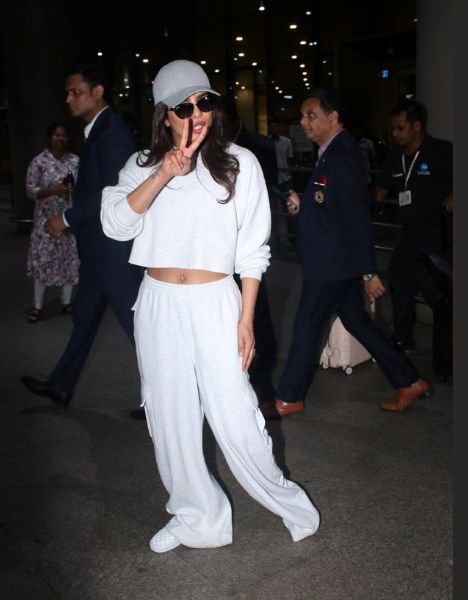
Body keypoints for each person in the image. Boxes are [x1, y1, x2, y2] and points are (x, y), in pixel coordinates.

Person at [100, 60, 320, 553]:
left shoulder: (239, 164)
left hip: (215, 301)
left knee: (236, 415)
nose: (196, 113)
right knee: (169, 417)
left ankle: (289, 503)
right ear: (164, 115)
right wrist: (164, 172)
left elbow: (253, 251)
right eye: (183, 107)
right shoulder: (141, 166)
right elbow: (115, 224)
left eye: (204, 102)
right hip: (158, 302)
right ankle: (199, 518)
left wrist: (246, 319)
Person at [273, 88, 433, 416]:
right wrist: (303, 204)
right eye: (302, 115)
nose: (303, 122)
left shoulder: (342, 156)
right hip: (336, 261)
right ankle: (408, 381)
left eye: (311, 115)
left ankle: (289, 396)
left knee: (306, 327)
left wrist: (368, 271)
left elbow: (357, 217)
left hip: (332, 264)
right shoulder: (330, 153)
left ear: (333, 117)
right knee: (359, 322)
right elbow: (330, 205)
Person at [20, 63, 143, 408]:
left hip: (113, 253)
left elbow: (111, 194)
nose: (69, 99)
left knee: (141, 330)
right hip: (98, 252)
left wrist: (65, 218)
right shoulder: (98, 130)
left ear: (98, 92)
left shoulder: (112, 133)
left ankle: (174, 399)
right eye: (67, 93)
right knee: (84, 320)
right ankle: (61, 385)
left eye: (76, 92)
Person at [374, 100, 453, 353]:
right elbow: (380, 190)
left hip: (436, 235)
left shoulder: (442, 151)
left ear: (417, 126)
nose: (395, 134)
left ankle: (447, 349)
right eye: (393, 129)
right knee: (399, 280)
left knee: (438, 293)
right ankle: (403, 337)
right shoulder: (396, 156)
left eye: (400, 128)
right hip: (408, 234)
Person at [223, 100, 279, 408]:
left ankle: (262, 386)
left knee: (257, 315)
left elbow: (267, 193)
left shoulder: (257, 148)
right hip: (217, 253)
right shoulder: (201, 151)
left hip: (248, 243)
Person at [24, 122, 81, 323]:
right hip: (45, 222)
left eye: (64, 135)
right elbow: (30, 190)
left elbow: (83, 186)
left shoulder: (74, 161)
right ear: (50, 137)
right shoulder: (39, 162)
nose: (61, 139)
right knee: (43, 262)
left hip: (68, 221)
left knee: (70, 262)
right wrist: (53, 191)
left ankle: (66, 302)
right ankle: (37, 306)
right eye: (57, 135)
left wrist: (73, 190)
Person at [268, 116, 294, 188]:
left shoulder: (287, 142)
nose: (274, 128)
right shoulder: (265, 141)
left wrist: (290, 176)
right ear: (269, 128)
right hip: (271, 177)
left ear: (279, 127)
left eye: (276, 126)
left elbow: (289, 159)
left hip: (285, 177)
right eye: (272, 126)